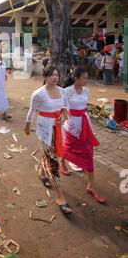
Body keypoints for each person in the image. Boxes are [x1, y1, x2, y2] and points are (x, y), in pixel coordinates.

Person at [24, 66, 72, 215]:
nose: (55, 77)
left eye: (57, 75)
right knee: (53, 161)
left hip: (58, 128)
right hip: (45, 129)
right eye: (52, 75)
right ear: (45, 77)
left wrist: (64, 113)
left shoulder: (62, 91)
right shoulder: (38, 94)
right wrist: (27, 125)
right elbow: (32, 110)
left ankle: (41, 172)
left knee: (51, 155)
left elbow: (65, 106)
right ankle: (60, 196)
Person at [63, 67, 106, 204]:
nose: (86, 80)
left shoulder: (86, 90)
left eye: (87, 78)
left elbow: (85, 107)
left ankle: (90, 186)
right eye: (84, 78)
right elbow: (62, 109)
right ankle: (62, 163)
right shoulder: (67, 91)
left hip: (85, 124)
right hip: (72, 125)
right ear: (76, 78)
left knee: (88, 153)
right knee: (67, 147)